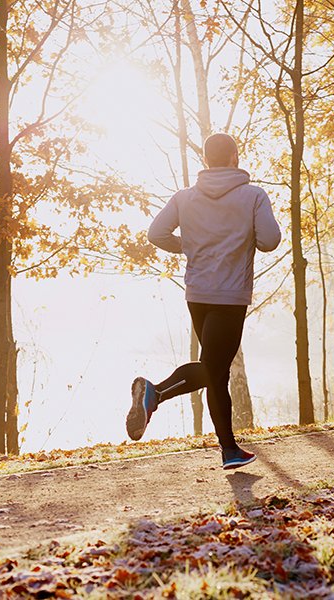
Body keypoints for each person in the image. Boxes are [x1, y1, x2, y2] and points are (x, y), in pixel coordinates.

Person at [126, 133, 281, 470]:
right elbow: (270, 240)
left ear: (207, 160)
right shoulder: (253, 196)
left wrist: (192, 245)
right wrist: (240, 237)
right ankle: (156, 393)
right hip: (230, 295)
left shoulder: (185, 197)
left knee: (215, 370)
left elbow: (156, 234)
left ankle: (229, 450)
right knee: (215, 368)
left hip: (197, 294)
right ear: (234, 157)